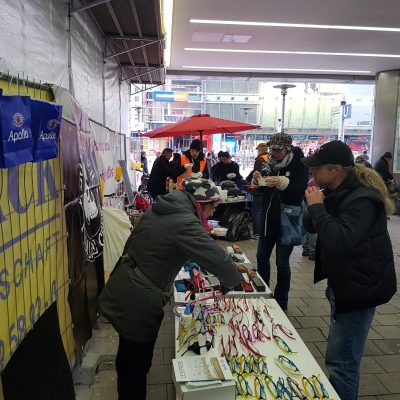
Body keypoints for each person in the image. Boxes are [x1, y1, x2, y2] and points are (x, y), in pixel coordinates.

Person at [99, 178, 241, 400]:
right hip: (139, 297)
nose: (213, 213)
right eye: (213, 206)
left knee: (128, 353)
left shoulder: (165, 207)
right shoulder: (184, 221)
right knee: (137, 362)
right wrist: (233, 279)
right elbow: (218, 259)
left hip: (127, 283)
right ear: (201, 203)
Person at [302, 140, 397, 400]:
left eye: (317, 169)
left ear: (335, 170)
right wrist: (314, 205)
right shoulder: (337, 190)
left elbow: (340, 239)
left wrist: (318, 207)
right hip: (345, 283)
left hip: (361, 287)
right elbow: (311, 227)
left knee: (341, 363)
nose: (312, 173)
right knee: (338, 355)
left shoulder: (363, 198)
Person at [252, 133, 308, 310]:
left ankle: (281, 300)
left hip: (288, 220)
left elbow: (300, 190)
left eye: (278, 150)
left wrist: (283, 182)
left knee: (282, 262)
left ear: (288, 148)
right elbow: (261, 192)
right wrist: (257, 180)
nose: (274, 153)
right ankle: (264, 293)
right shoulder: (269, 163)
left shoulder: (300, 163)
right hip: (268, 219)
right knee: (261, 257)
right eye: (272, 149)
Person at [246, 142, 269, 238]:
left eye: (258, 149)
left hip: (259, 188)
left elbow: (255, 172)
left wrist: (247, 179)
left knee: (256, 210)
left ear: (261, 149)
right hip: (267, 187)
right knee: (264, 210)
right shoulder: (270, 158)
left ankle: (257, 232)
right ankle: (263, 230)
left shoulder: (260, 159)